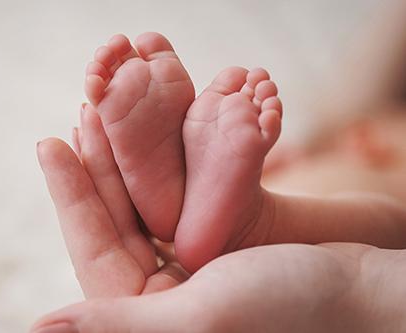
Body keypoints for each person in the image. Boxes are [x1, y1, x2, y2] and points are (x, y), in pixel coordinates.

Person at [31, 30, 406, 332]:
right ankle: (245, 215)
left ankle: (193, 204)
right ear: (365, 138)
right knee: (391, 220)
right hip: (348, 184)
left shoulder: (351, 128)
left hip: (297, 183)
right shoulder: (367, 137)